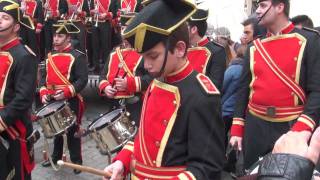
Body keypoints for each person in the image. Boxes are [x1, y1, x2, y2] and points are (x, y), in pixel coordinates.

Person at [103, 0, 225, 179]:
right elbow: (144, 138)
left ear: (180, 49)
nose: (146, 65)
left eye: (153, 56)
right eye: (144, 57)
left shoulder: (202, 95)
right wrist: (123, 161)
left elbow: (207, 167)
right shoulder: (156, 82)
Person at [229, 0, 320, 170]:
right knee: (253, 173)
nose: (258, 11)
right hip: (255, 126)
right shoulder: (254, 47)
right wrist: (237, 127)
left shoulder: (310, 40)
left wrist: (303, 128)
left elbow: (317, 90)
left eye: (263, 6)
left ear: (280, 7)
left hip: (291, 125)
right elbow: (243, 90)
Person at [39, 20, 88, 174]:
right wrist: (43, 92)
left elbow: (82, 80)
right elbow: (43, 78)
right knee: (57, 132)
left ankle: (76, 162)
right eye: (54, 36)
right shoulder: (50, 56)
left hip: (70, 98)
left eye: (59, 36)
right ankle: (55, 157)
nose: (55, 39)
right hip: (53, 98)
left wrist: (66, 92)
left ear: (68, 38)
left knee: (73, 131)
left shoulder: (78, 56)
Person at [0, 0, 38, 179]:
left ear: (16, 27)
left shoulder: (23, 56)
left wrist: (1, 121)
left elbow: (23, 99)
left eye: (5, 18)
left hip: (12, 129)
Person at [99, 12, 152, 125]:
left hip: (135, 105)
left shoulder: (145, 52)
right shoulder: (114, 51)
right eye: (122, 28)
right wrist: (105, 87)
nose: (124, 32)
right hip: (114, 104)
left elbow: (152, 78)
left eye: (128, 28)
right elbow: (103, 75)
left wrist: (129, 83)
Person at [187, 8, 226, 91]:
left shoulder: (217, 51)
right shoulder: (182, 50)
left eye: (184, 26)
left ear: (193, 29)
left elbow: (214, 87)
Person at [89, 0, 118, 73]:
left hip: (106, 24)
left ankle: (106, 67)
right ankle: (96, 66)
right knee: (95, 46)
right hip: (95, 23)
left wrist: (106, 15)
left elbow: (114, 13)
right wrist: (93, 12)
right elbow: (91, 10)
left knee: (106, 46)